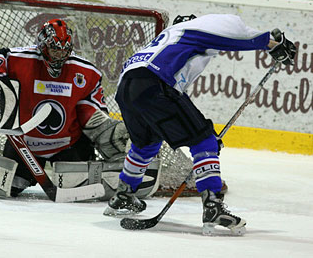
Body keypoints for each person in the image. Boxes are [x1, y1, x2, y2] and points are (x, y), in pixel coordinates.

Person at [103, 14, 297, 235]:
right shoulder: (191, 30)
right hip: (155, 83)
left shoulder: (165, 42)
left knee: (146, 143)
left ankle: (123, 196)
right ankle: (213, 206)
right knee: (204, 140)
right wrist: (271, 43)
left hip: (127, 89)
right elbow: (231, 35)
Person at [0, 18, 160, 199]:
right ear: (42, 46)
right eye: (54, 51)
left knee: (76, 185)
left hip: (69, 145)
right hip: (24, 144)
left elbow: (91, 114)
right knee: (8, 185)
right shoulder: (17, 59)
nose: (59, 57)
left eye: (63, 51)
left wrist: (107, 132)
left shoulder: (87, 72)